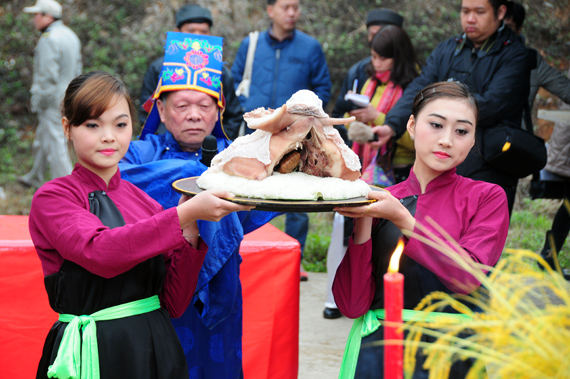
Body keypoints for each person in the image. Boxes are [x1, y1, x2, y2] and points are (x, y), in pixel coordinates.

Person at [29, 71, 251, 379]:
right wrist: (182, 216)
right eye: (93, 125)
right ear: (68, 128)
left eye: (120, 125)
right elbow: (101, 252)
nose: (109, 136)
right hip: (93, 349)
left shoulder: (144, 200)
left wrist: (191, 232)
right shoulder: (54, 197)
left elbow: (173, 302)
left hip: (156, 349)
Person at [119, 32, 276, 378]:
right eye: (181, 106)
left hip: (222, 286)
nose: (193, 115)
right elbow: (121, 183)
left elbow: (270, 198)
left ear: (219, 109)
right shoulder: (138, 153)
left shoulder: (242, 155)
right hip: (154, 286)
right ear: (160, 109)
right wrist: (200, 174)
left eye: (204, 106)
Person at [332, 81, 509, 378]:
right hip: (378, 353)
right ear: (412, 126)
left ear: (473, 138)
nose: (447, 140)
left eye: (461, 131)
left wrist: (404, 220)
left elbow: (467, 277)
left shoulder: (487, 197)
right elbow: (352, 304)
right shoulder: (382, 199)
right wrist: (363, 220)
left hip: (449, 354)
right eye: (436, 125)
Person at [372, 0, 534, 216]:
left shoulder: (515, 55)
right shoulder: (447, 49)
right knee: (426, 234)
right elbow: (419, 88)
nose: (470, 19)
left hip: (489, 165)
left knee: (471, 239)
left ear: (501, 12)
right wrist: (392, 125)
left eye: (479, 12)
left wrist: (439, 107)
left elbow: (493, 103)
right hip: (440, 165)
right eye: (465, 11)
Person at [323, 25, 419, 320]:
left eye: (383, 58)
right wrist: (357, 123)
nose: (376, 63)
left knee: (379, 238)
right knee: (344, 229)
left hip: (395, 172)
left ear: (397, 57)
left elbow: (410, 136)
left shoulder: (412, 87)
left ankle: (373, 294)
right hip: (361, 167)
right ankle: (336, 297)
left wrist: (378, 119)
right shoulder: (367, 80)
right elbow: (348, 121)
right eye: (373, 56)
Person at [232, 0, 332, 280]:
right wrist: (249, 112)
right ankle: (246, 253)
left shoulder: (310, 47)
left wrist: (306, 118)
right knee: (251, 189)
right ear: (270, 10)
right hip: (258, 133)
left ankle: (294, 258)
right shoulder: (250, 45)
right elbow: (236, 81)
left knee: (297, 194)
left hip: (297, 134)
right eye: (286, 6)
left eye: (296, 7)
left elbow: (322, 85)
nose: (292, 13)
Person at [504, 1, 570, 272]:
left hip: (506, 149)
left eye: (506, 26)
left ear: (518, 28)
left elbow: (565, 89)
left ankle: (480, 269)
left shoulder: (530, 60)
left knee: (498, 206)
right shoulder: (465, 52)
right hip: (465, 142)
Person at [139, 4, 243, 140]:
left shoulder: (220, 71)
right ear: (177, 32)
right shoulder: (160, 68)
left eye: (203, 31)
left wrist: (216, 146)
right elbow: (146, 112)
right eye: (191, 31)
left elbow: (233, 115)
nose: (197, 37)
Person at [18, 0, 82, 189]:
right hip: (68, 95)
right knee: (43, 136)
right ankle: (35, 175)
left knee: (56, 143)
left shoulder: (49, 38)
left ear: (47, 16)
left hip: (52, 99)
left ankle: (69, 187)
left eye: (37, 15)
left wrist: (39, 101)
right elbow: (78, 69)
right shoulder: (70, 35)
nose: (34, 19)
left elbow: (47, 77)